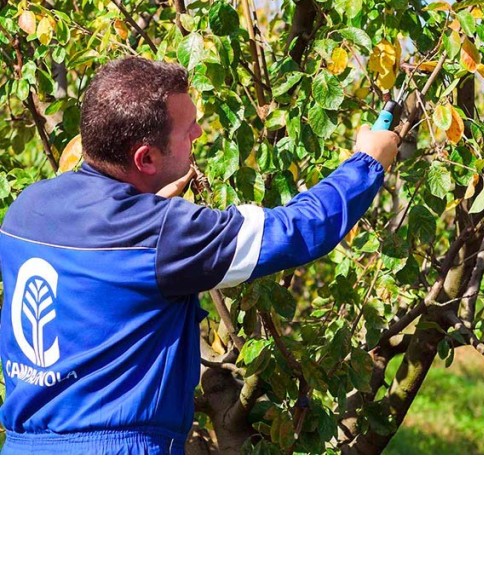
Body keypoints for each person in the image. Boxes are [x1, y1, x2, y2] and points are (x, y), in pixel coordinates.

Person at [0, 56, 399, 454]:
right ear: (146, 158)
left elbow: (101, 275)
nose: (199, 132)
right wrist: (367, 164)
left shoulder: (25, 210)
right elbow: (296, 230)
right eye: (188, 129)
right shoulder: (163, 236)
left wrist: (146, 208)